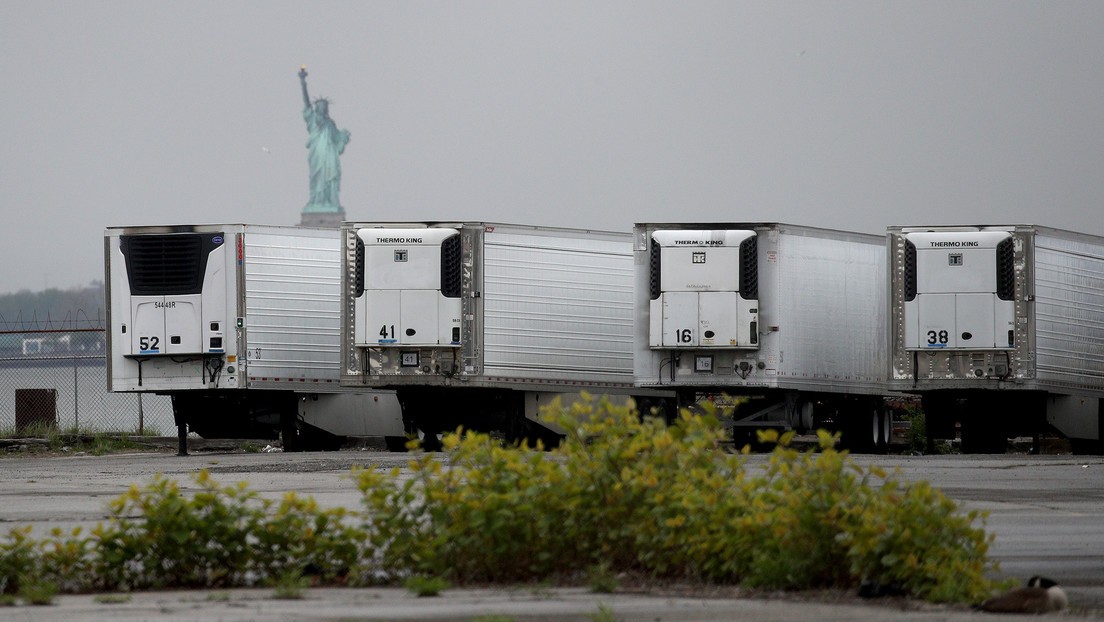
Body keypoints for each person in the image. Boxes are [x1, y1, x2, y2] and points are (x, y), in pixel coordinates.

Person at [299, 66, 351, 212]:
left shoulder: (330, 124)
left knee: (329, 178)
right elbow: (306, 102)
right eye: (320, 106)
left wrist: (344, 136)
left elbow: (338, 142)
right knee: (317, 178)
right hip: (317, 153)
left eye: (324, 107)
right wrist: (303, 82)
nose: (322, 109)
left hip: (329, 154)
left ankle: (328, 201)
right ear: (317, 108)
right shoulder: (312, 119)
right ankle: (316, 200)